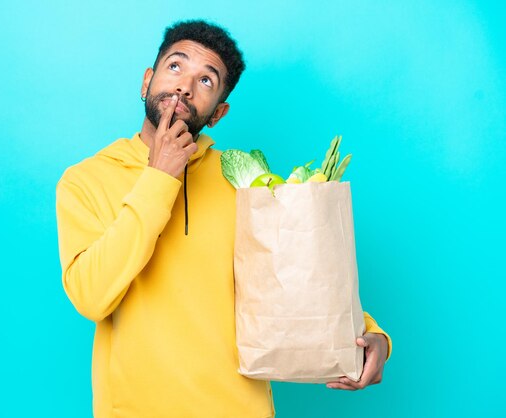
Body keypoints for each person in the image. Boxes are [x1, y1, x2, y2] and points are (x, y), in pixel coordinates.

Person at [55, 19, 392, 418]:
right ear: (147, 81)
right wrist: (159, 178)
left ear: (217, 114)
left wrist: (373, 334)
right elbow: (91, 296)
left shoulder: (241, 180)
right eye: (175, 67)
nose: (184, 86)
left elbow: (294, 278)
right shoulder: (85, 180)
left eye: (206, 81)